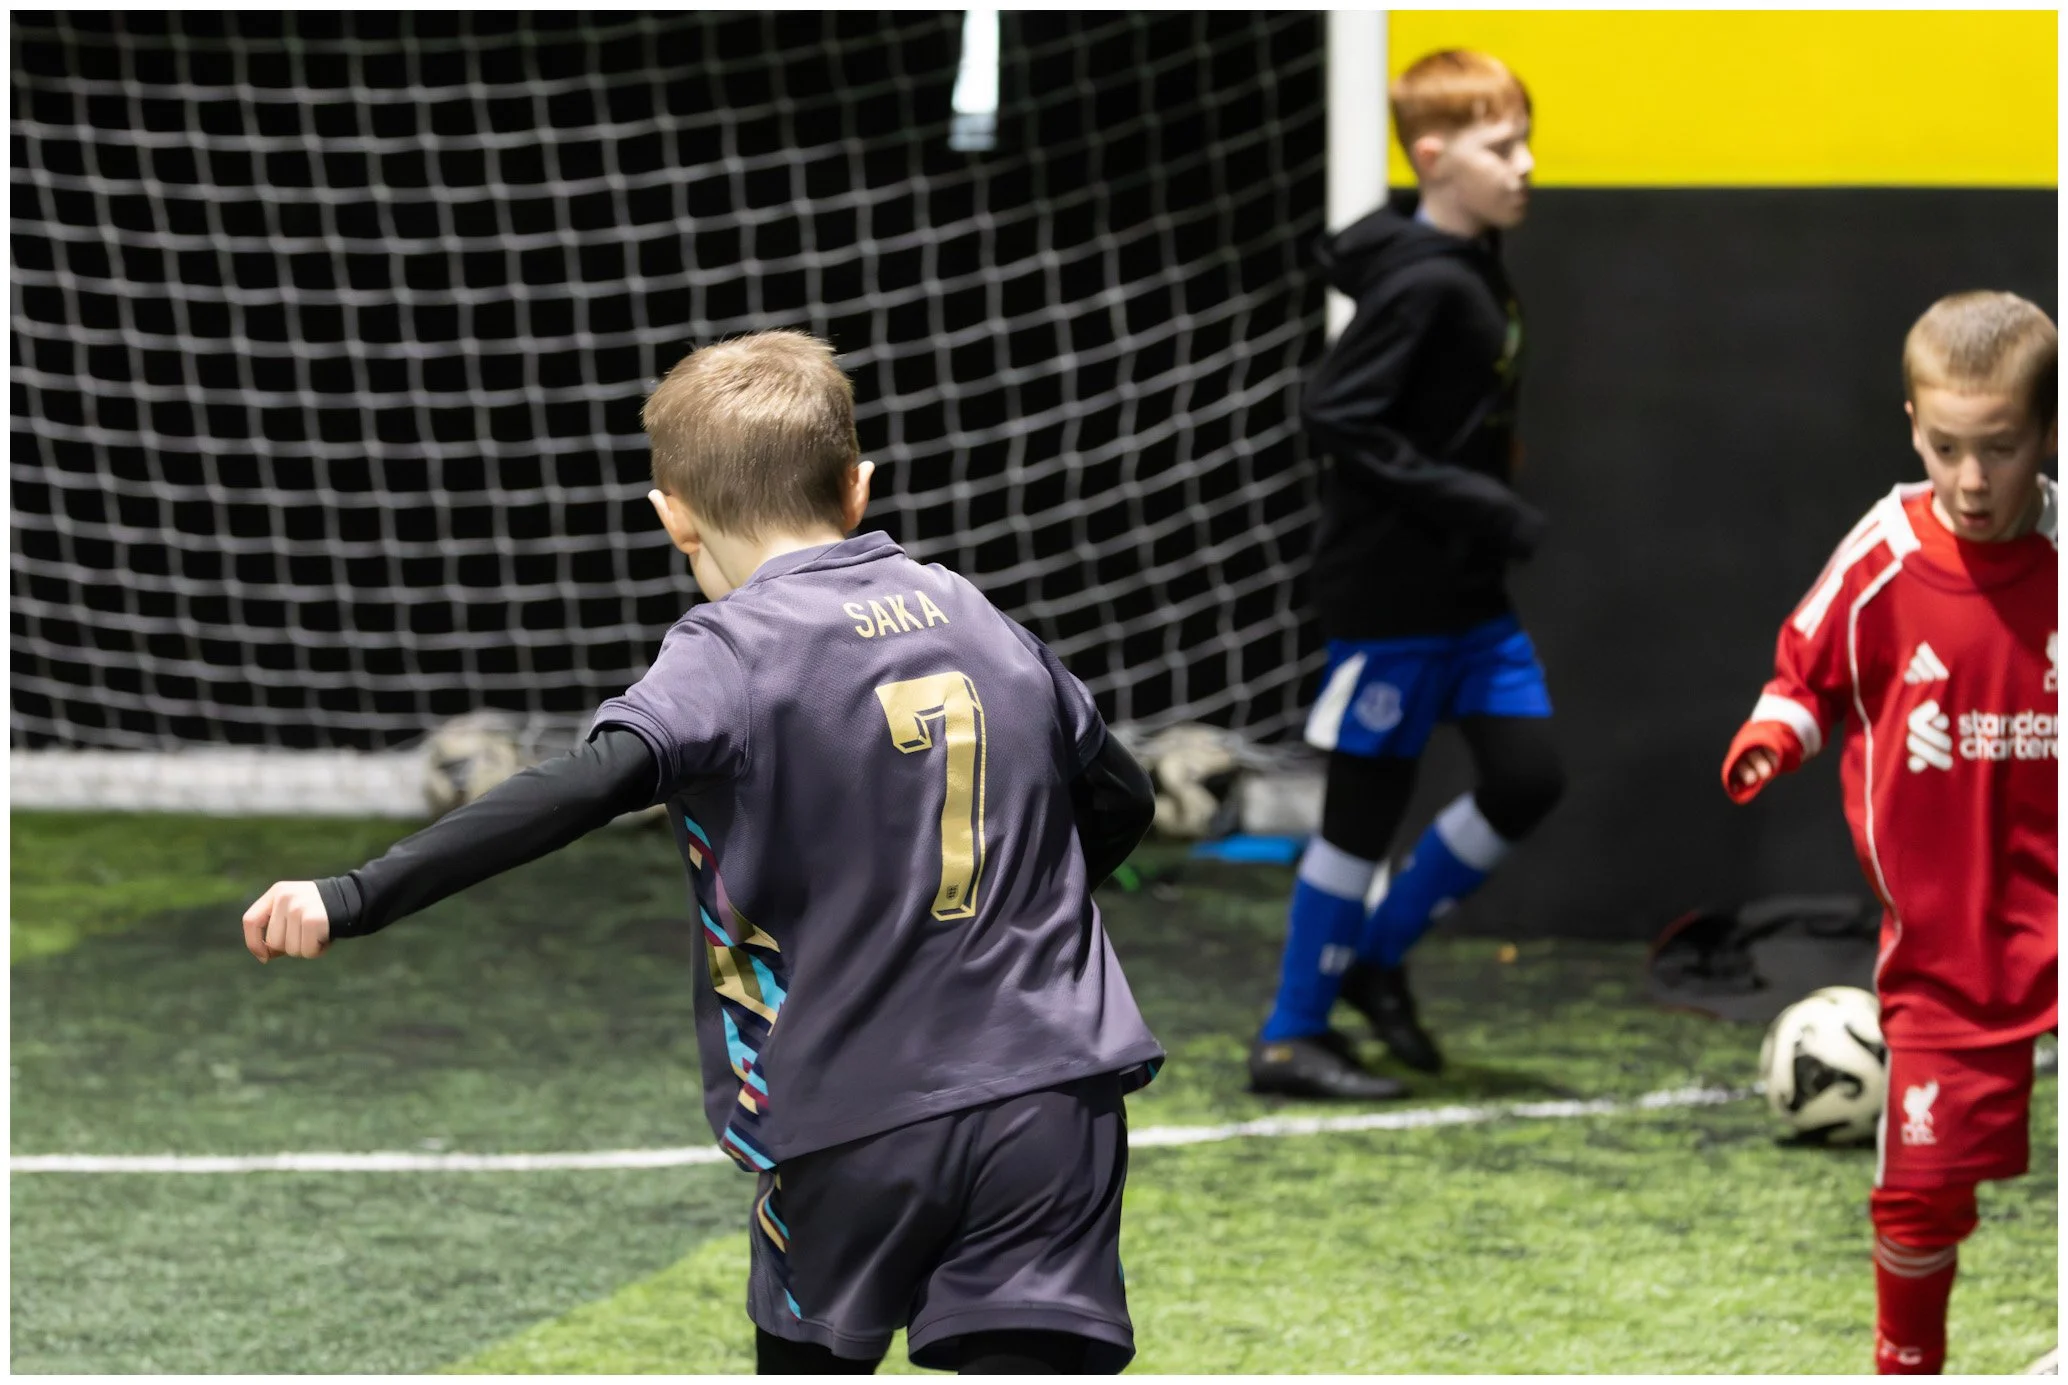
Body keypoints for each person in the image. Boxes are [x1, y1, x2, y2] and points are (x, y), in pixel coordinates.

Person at [241, 330, 1165, 1375]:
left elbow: (582, 785)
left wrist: (353, 893)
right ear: (857, 488)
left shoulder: (731, 648)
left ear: (669, 510)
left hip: (854, 1103)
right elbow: (1119, 795)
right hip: (1051, 1092)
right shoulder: (977, 614)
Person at [1720, 292, 2057, 1375]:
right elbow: (1806, 674)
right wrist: (1776, 731)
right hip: (1948, 952)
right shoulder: (1881, 553)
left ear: (2043, 434)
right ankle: (1906, 1362)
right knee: (1918, 1195)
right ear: (1913, 423)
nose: (1971, 478)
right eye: (1947, 447)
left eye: (1998, 450)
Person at [1251, 49, 1564, 1098]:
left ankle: (1377, 954)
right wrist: (1482, 501)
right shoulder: (1427, 279)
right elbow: (1333, 411)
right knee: (1361, 812)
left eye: (1525, 140)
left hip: (1468, 593)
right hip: (1394, 597)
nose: (1524, 165)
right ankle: (1291, 1032)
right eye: (1499, 146)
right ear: (1432, 158)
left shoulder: (1469, 260)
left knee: (1527, 777)